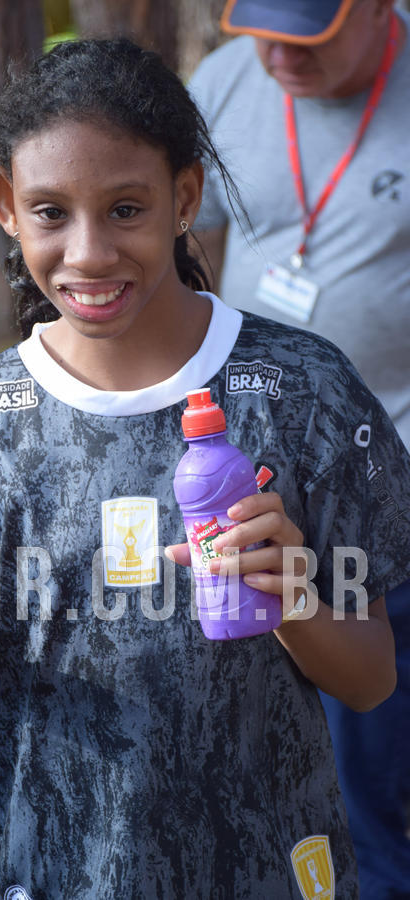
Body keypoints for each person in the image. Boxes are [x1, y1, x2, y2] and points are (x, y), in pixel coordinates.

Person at [0, 38, 410, 900]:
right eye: (51, 212)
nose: (90, 252)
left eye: (127, 209)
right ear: (4, 205)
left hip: (271, 870)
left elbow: (372, 682)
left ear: (185, 197)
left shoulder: (300, 390)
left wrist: (288, 590)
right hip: (65, 872)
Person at [188, 2, 410, 896]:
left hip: (385, 469)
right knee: (256, 728)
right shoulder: (227, 81)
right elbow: (180, 237)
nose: (278, 54)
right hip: (246, 467)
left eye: (308, 34)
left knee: (369, 749)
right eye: (261, 25)